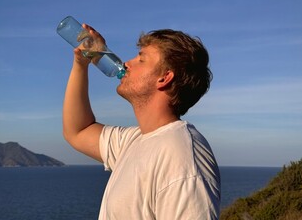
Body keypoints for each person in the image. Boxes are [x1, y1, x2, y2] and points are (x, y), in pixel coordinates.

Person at [63, 23, 221, 219]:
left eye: (141, 59)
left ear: (164, 78)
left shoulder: (182, 156)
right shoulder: (134, 141)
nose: (127, 63)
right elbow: (77, 131)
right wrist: (81, 64)